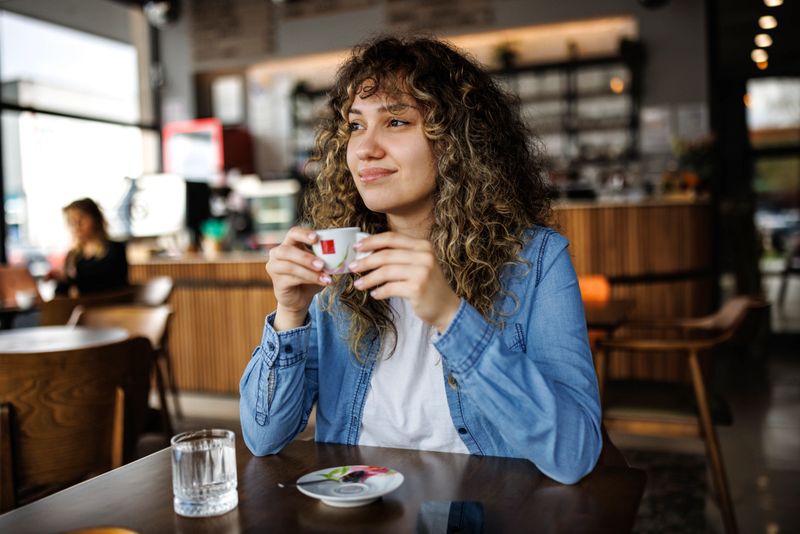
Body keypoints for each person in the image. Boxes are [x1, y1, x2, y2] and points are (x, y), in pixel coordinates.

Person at [240, 35, 602, 484]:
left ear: (456, 141)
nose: (366, 148)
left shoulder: (535, 260)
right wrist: (290, 315)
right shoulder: (339, 262)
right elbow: (263, 437)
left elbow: (575, 453)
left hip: (484, 511)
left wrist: (453, 317)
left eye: (395, 122)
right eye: (355, 125)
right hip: (358, 513)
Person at [48, 198, 129, 296]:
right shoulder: (73, 255)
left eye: (81, 218)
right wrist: (61, 279)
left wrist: (70, 278)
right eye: (71, 221)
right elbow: (63, 292)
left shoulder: (115, 249)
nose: (76, 225)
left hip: (111, 307)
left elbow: (108, 282)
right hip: (84, 307)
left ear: (96, 219)